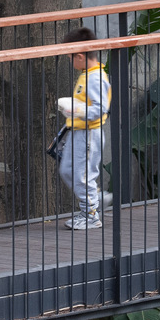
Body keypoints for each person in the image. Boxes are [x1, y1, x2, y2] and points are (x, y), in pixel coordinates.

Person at [55, 27, 111, 230]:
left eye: (71, 57)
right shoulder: (87, 74)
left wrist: (77, 110)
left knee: (82, 175)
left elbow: (100, 108)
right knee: (68, 170)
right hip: (79, 131)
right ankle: (95, 201)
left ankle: (91, 215)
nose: (70, 62)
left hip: (88, 134)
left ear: (79, 56)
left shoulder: (95, 77)